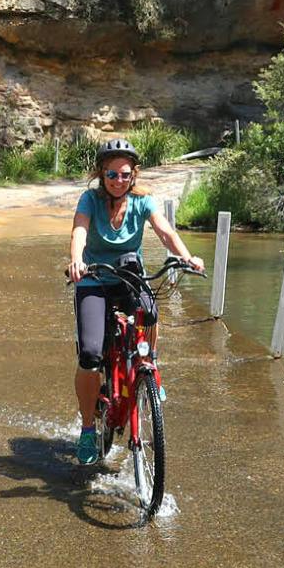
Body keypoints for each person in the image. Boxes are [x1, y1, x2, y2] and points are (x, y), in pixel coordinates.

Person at [66, 137, 204, 465]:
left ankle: (149, 368)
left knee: (151, 312)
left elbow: (165, 232)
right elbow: (79, 233)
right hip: (94, 278)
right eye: (112, 175)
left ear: (134, 175)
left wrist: (187, 258)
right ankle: (88, 429)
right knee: (90, 354)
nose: (118, 181)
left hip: (129, 276)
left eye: (125, 174)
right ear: (102, 174)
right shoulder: (90, 200)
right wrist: (76, 260)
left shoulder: (144, 202)